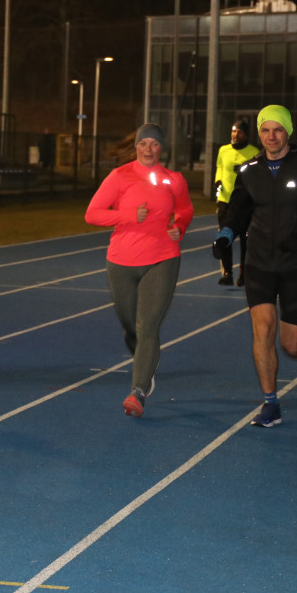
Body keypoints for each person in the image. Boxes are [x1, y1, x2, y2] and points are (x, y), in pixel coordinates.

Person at [212, 105, 297, 428]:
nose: (271, 137)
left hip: (296, 262)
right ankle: (271, 403)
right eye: (266, 130)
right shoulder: (249, 170)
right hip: (258, 262)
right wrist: (226, 235)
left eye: (278, 130)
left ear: (288, 132)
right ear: (260, 134)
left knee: (290, 344)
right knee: (263, 329)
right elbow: (238, 212)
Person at [85, 123, 194, 418]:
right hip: (120, 261)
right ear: (136, 147)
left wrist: (179, 226)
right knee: (132, 326)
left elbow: (185, 209)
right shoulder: (119, 176)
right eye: (143, 143)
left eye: (154, 144)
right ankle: (146, 363)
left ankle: (138, 391)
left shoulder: (174, 180)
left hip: (162, 259)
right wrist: (128, 215)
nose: (148, 149)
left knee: (147, 326)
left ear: (161, 148)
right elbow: (92, 214)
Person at [214, 120, 259, 286]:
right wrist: (218, 180)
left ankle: (244, 274)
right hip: (225, 201)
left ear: (246, 134)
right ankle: (227, 273)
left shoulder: (254, 152)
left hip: (246, 204)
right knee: (225, 237)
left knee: (246, 241)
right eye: (233, 131)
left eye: (239, 132)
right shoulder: (223, 150)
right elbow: (219, 167)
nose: (235, 135)